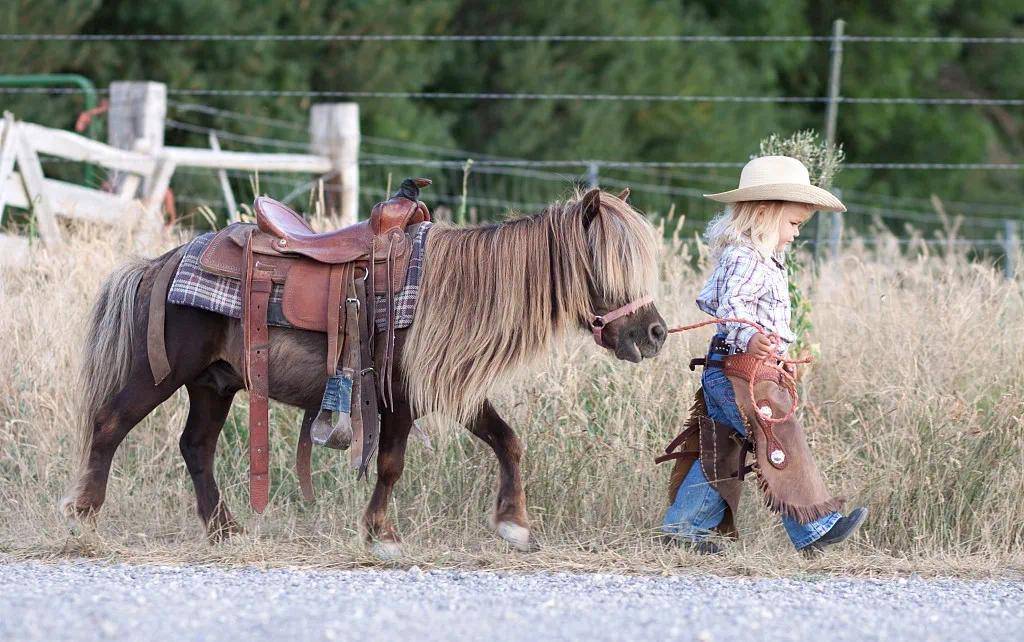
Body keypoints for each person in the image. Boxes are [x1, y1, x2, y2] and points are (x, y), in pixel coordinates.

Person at [660, 155, 867, 554]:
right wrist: (748, 339)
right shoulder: (744, 257)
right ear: (763, 213)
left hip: (741, 370)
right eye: (792, 225)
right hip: (737, 369)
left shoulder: (765, 259)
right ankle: (815, 529)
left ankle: (683, 530)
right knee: (780, 435)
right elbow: (732, 306)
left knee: (724, 448)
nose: (794, 235)